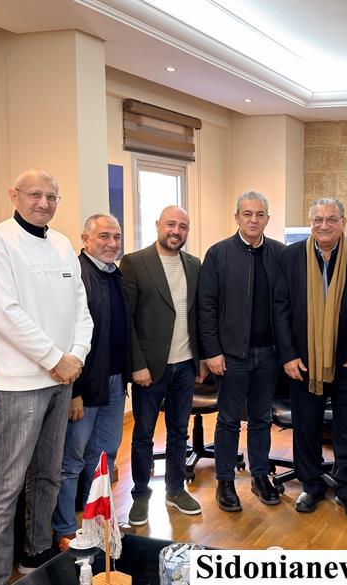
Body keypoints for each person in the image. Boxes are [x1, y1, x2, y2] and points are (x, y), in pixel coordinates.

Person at [0, 169, 93, 583]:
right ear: (14, 195)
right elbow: (5, 314)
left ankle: (35, 555)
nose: (44, 203)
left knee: (48, 475)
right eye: (35, 195)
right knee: (4, 489)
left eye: (51, 197)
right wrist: (54, 358)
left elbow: (81, 310)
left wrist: (75, 357)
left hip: (61, 380)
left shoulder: (61, 245)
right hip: (18, 385)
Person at [273, 197, 347, 517]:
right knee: (306, 426)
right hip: (304, 361)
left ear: (344, 222)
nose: (324, 225)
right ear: (311, 223)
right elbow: (281, 308)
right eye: (318, 220)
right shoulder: (291, 256)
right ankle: (311, 486)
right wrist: (288, 355)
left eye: (331, 219)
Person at [197, 190, 285, 511]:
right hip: (231, 355)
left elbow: (286, 305)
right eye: (247, 214)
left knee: (261, 419)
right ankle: (225, 482)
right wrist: (212, 351)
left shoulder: (279, 253)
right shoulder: (218, 254)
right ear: (236, 217)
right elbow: (206, 307)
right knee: (229, 420)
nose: (253, 220)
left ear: (267, 219)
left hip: (268, 354)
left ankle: (260, 476)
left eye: (260, 214)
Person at [120, 206, 205, 525]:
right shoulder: (135, 262)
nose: (176, 231)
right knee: (143, 434)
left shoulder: (193, 264)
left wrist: (200, 359)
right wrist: (136, 365)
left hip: (185, 365)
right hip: (150, 368)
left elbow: (197, 315)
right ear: (158, 225)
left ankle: (175, 489)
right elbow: (127, 319)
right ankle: (141, 495)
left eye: (183, 226)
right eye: (171, 224)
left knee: (179, 433)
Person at [52, 214, 131, 550]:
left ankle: (96, 522)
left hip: (114, 381)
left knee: (104, 455)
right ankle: (65, 529)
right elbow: (66, 336)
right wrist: (74, 392)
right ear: (84, 239)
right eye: (103, 236)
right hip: (84, 386)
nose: (112, 243)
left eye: (116, 237)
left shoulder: (115, 275)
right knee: (72, 460)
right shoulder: (76, 275)